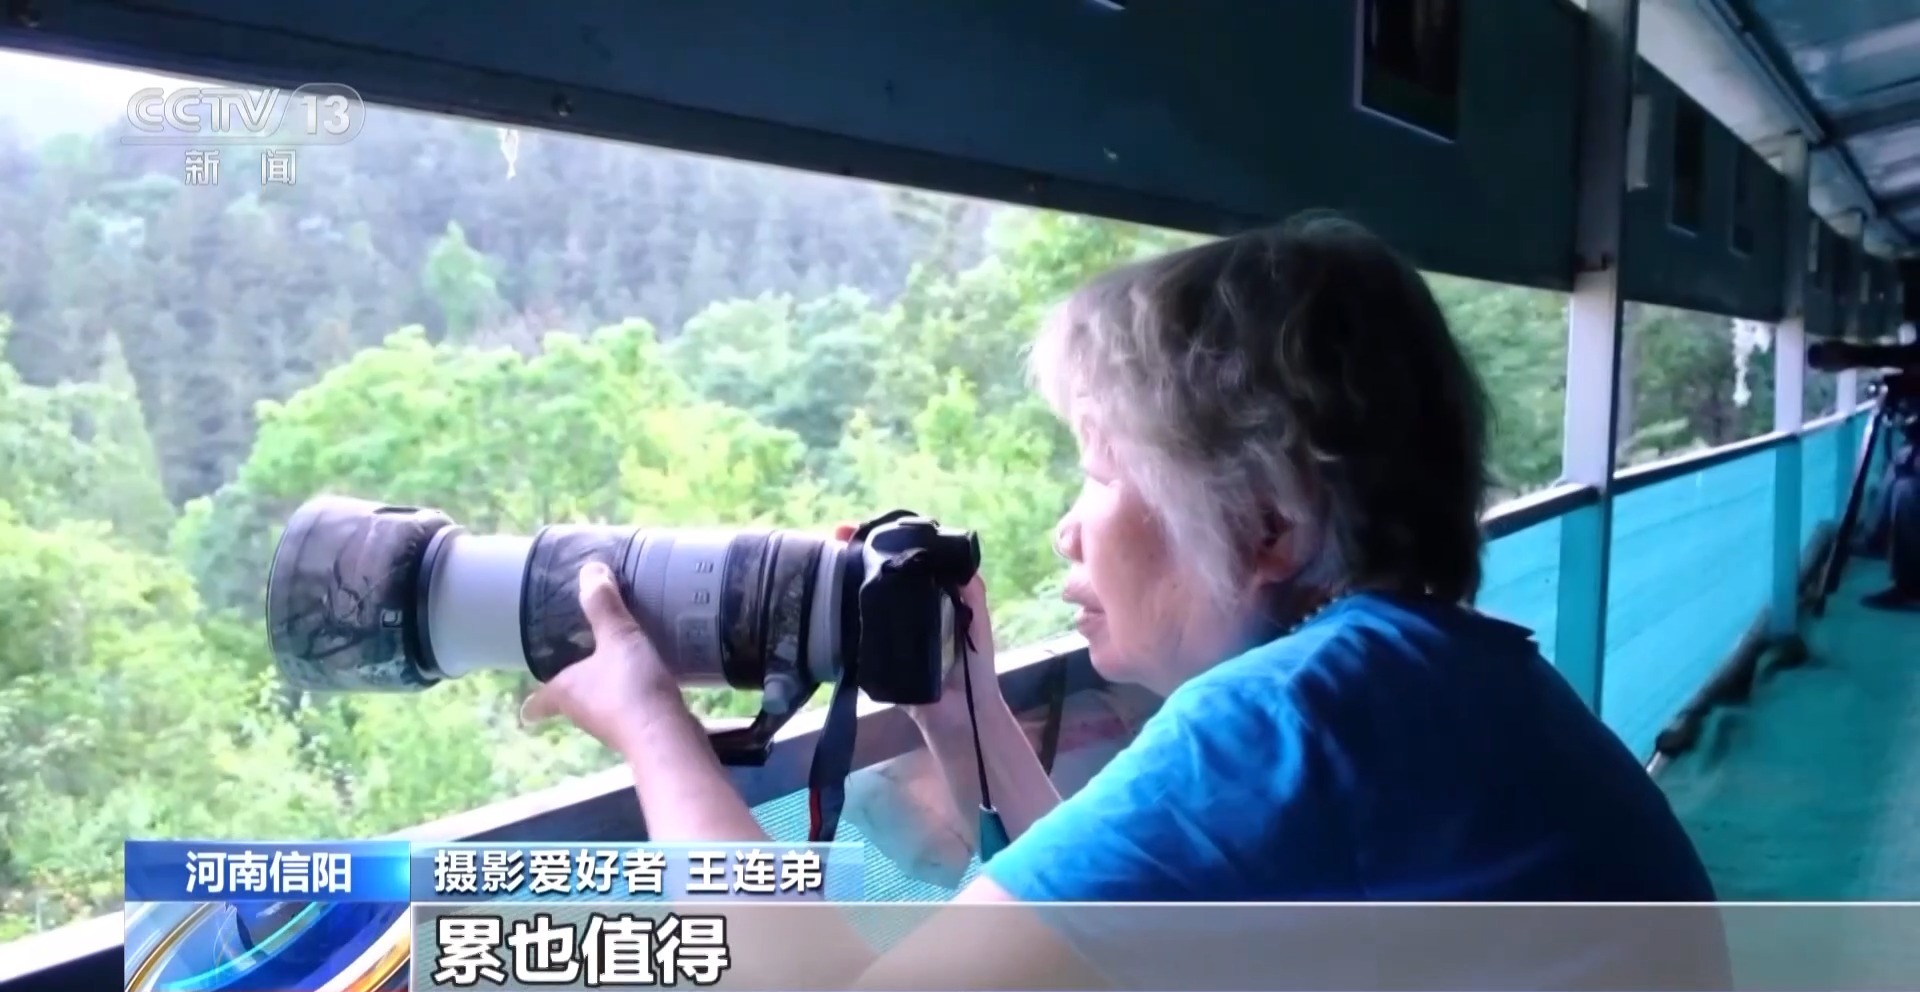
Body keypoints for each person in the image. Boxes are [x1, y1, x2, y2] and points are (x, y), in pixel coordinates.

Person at [522, 214, 1728, 990]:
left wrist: (653, 725)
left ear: (1266, 524)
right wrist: (963, 705)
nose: (1068, 525)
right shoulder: (1431, 681)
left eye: (1103, 472)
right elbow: (1108, 912)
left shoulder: (1293, 721)